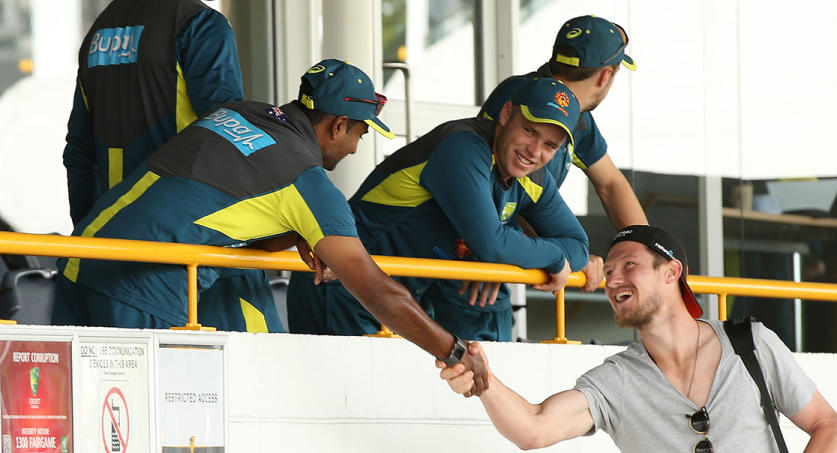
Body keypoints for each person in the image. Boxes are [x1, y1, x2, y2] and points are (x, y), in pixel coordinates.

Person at [53, 59, 490, 395]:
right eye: (360, 134)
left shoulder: (238, 113)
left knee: (73, 435)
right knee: (134, 443)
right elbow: (376, 290)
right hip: (142, 289)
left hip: (82, 260)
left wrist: (295, 233)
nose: (356, 149)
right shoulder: (308, 181)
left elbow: (217, 209)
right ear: (338, 125)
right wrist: (452, 350)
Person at [438, 225, 837, 453]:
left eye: (628, 266)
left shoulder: (751, 344)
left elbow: (831, 428)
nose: (612, 279)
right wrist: (485, 383)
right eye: (610, 271)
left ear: (671, 271)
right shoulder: (618, 380)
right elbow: (534, 427)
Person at [287, 77, 589, 342]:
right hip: (339, 287)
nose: (534, 151)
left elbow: (578, 246)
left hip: (393, 301)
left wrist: (518, 256)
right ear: (506, 113)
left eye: (550, 145)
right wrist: (552, 257)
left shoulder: (533, 176)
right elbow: (493, 244)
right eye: (529, 131)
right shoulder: (463, 147)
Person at [61, 0, 277, 332]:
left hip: (109, 257)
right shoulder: (200, 24)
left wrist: (93, 235)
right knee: (253, 373)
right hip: (195, 256)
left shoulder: (100, 31)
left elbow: (79, 153)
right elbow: (229, 138)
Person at [480, 15, 649, 290]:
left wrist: (652, 252)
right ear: (607, 75)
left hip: (502, 256)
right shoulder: (527, 96)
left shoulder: (576, 114)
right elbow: (515, 186)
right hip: (473, 255)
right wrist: (566, 253)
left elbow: (610, 183)